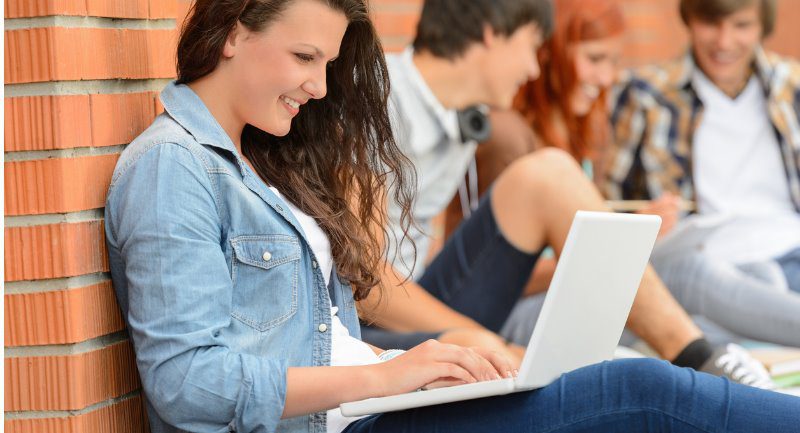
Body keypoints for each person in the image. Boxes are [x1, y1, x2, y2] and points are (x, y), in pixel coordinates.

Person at [105, 0, 800, 431]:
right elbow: (189, 384)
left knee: (615, 380)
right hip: (348, 417)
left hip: (369, 399)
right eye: (304, 58)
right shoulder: (174, 166)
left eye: (327, 62)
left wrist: (418, 363)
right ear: (231, 33)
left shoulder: (262, 156)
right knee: (640, 389)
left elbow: (322, 332)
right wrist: (390, 372)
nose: (318, 86)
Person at [358, 0, 774, 386]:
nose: (533, 68)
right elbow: (367, 282)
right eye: (531, 46)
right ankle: (699, 363)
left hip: (421, 301)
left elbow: (421, 254)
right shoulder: (374, 97)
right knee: (550, 174)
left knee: (552, 175)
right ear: (491, 33)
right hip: (370, 330)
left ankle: (700, 357)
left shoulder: (463, 115)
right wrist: (481, 339)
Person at [606, 0, 800, 347]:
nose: (724, 43)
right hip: (708, 264)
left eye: (741, 25)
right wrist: (640, 221)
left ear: (762, 27)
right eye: (711, 24)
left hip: (791, 250)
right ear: (690, 20)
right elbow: (609, 206)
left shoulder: (792, 85)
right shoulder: (645, 93)